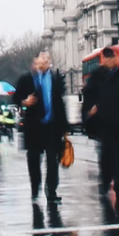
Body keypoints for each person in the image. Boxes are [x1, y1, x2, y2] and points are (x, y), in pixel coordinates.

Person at [83, 46, 119, 203]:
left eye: (111, 57)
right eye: (106, 58)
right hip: (104, 125)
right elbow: (88, 96)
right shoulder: (96, 76)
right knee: (106, 157)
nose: (109, 61)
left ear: (116, 59)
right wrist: (90, 110)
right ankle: (106, 181)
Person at [14, 51, 70, 203]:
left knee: (53, 160)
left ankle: (51, 190)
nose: (45, 61)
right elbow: (16, 98)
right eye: (42, 58)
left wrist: (65, 127)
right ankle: (35, 185)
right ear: (36, 61)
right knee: (34, 159)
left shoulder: (55, 78)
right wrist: (25, 102)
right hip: (34, 127)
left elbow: (60, 103)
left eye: (47, 58)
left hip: (52, 126)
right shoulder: (26, 79)